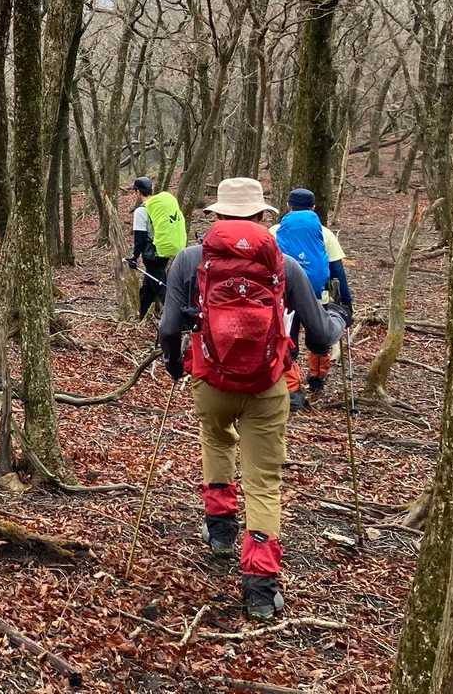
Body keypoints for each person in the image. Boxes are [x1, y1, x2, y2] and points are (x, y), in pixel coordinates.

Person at [158, 177, 351, 619]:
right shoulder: (285, 264)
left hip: (211, 380)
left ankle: (221, 531)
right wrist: (339, 317)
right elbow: (320, 337)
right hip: (268, 384)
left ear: (217, 215)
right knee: (263, 482)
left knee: (216, 440)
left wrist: (174, 365)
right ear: (263, 217)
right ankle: (261, 588)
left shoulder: (189, 260)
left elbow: (169, 328)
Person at [277, 188, 353, 400]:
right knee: (319, 335)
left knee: (287, 336)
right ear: (313, 207)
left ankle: (291, 389)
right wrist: (346, 302)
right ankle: (317, 378)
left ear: (288, 206)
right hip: (318, 294)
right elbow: (337, 269)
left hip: (285, 296)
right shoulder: (325, 233)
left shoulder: (275, 230)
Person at [127, 177, 187, 319]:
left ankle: (181, 320)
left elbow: (140, 238)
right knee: (149, 287)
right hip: (163, 251)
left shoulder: (141, 211)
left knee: (161, 288)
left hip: (152, 254)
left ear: (137, 192)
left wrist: (134, 257)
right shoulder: (158, 206)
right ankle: (141, 316)